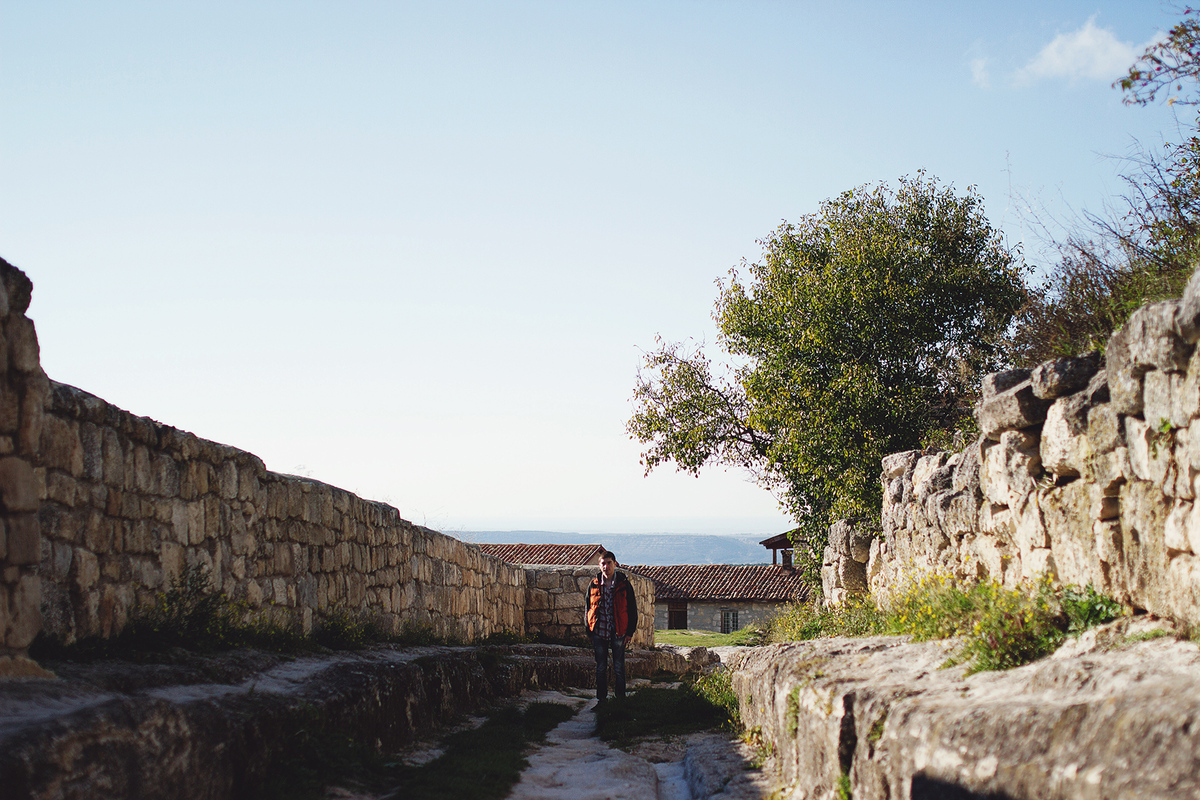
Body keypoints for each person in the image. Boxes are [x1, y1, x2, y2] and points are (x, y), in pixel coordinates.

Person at [585, 550, 638, 707]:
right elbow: (588, 607)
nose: (605, 566)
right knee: (600, 668)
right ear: (599, 565)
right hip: (599, 632)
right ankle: (601, 701)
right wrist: (589, 629)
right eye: (603, 563)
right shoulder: (594, 585)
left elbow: (632, 609)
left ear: (615, 564)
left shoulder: (624, 585)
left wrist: (630, 632)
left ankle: (620, 701)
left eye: (608, 563)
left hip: (618, 632)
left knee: (618, 667)